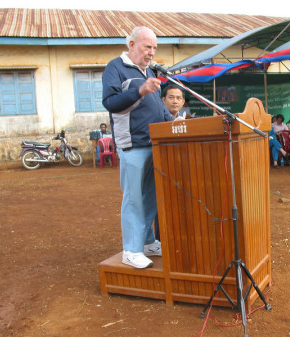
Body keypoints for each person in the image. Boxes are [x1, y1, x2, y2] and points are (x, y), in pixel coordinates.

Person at [102, 26, 175, 269]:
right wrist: (140, 90)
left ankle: (146, 242)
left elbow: (159, 109)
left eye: (154, 48)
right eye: (147, 47)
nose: (152, 52)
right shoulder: (116, 68)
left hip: (156, 143)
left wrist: (176, 124)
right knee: (134, 199)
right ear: (131, 44)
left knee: (151, 197)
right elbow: (111, 103)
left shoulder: (150, 71)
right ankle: (131, 251)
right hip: (133, 145)